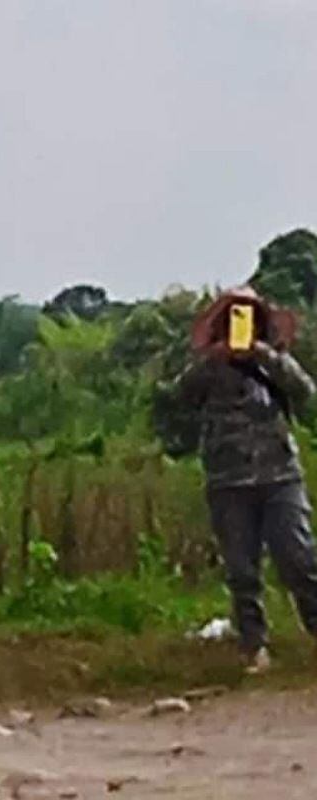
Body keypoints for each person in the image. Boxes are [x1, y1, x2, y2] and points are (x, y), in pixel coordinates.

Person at [179, 287, 317, 673]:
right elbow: (181, 394)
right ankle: (253, 643)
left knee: (298, 555)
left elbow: (305, 391)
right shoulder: (208, 367)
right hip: (229, 478)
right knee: (242, 569)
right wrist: (214, 360)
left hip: (280, 474)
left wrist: (264, 356)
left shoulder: (275, 361)